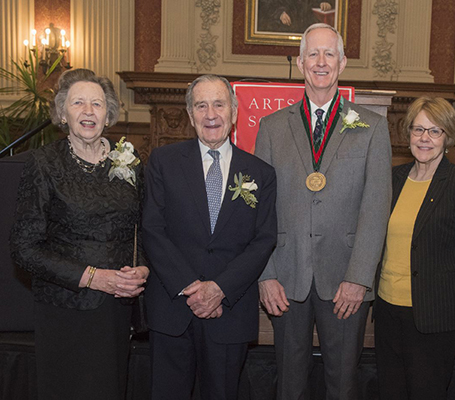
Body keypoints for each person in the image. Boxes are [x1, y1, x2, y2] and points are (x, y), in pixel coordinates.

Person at [254, 23, 392, 399]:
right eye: (312, 53)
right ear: (300, 63)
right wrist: (265, 275)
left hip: (346, 280)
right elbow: (257, 210)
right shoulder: (271, 127)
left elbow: (376, 207)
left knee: (342, 385)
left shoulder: (372, 128)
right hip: (285, 278)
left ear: (342, 62)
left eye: (329, 53)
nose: (320, 61)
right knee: (289, 385)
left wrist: (360, 278)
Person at [10, 68, 148, 400]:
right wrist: (91, 277)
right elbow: (24, 248)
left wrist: (142, 268)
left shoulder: (129, 162)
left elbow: (142, 230)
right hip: (64, 309)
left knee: (109, 389)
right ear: (62, 112)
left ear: (109, 113)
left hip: (115, 310)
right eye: (78, 103)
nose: (89, 111)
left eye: (97, 104)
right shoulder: (44, 163)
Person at [142, 74, 277, 400]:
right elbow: (152, 229)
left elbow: (264, 239)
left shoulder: (260, 173)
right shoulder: (163, 162)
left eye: (219, 104)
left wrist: (219, 289)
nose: (210, 114)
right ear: (190, 115)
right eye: (201, 106)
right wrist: (192, 288)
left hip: (229, 312)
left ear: (234, 112)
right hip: (173, 309)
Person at [374, 97, 455, 399]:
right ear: (407, 133)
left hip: (434, 318)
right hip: (387, 310)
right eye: (418, 129)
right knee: (390, 392)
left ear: (448, 136)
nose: (425, 138)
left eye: (435, 131)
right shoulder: (393, 179)